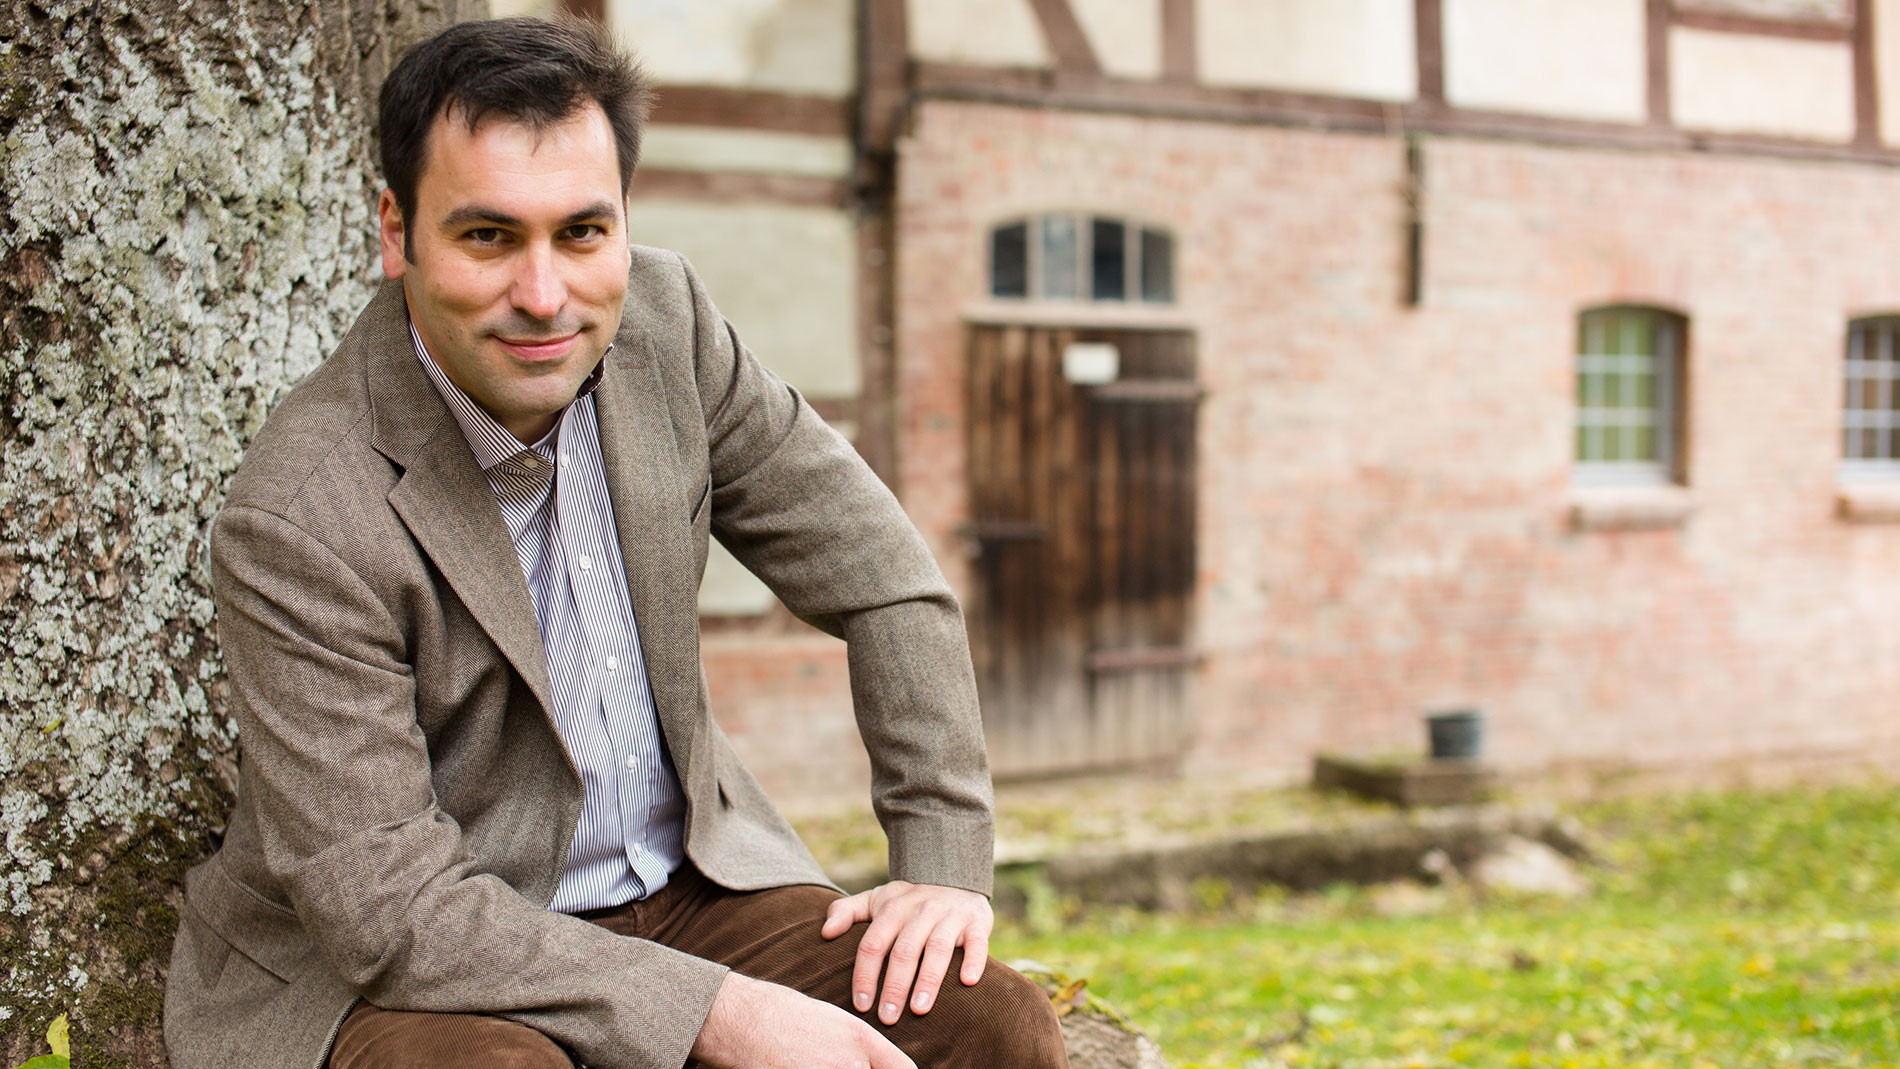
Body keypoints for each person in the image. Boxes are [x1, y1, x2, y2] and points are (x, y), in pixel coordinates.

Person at [161, 16, 1068, 1069]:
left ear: (624, 224)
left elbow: (885, 578)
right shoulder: (302, 512)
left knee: (992, 1025)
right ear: (396, 231)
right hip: (427, 950)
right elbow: (390, 910)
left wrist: (943, 859)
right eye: (488, 236)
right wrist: (718, 1011)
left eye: (582, 233)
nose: (543, 297)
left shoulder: (667, 325)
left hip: (688, 885)